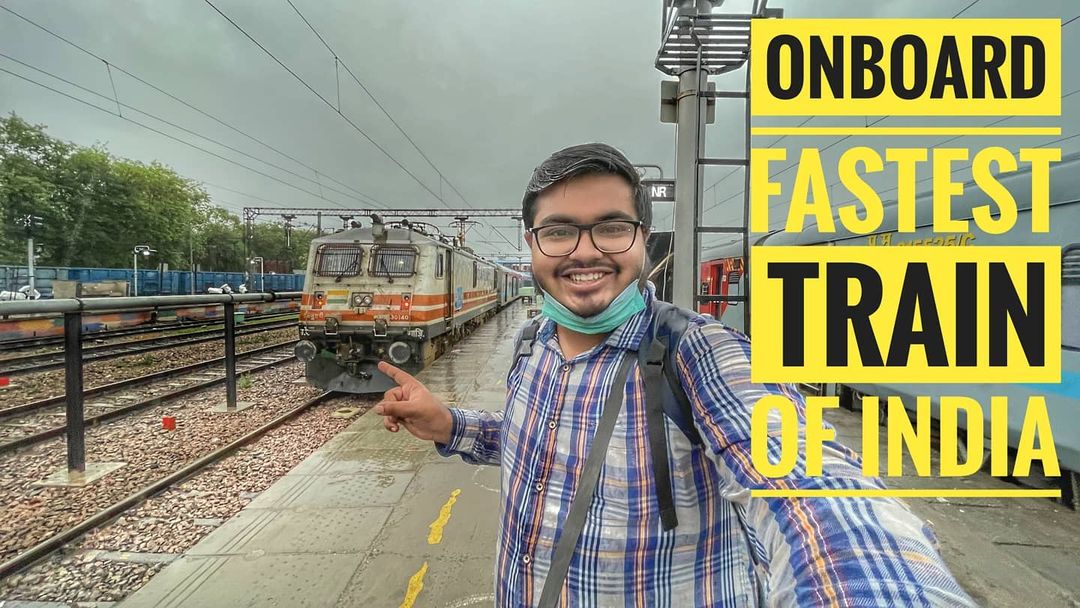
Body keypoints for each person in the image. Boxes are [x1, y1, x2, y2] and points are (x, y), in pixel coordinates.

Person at [375, 143, 975, 607]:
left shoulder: (701, 354)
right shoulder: (534, 344)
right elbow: (544, 448)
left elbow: (812, 487)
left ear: (641, 240)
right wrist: (450, 424)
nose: (584, 252)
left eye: (611, 227)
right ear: (531, 244)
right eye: (558, 231)